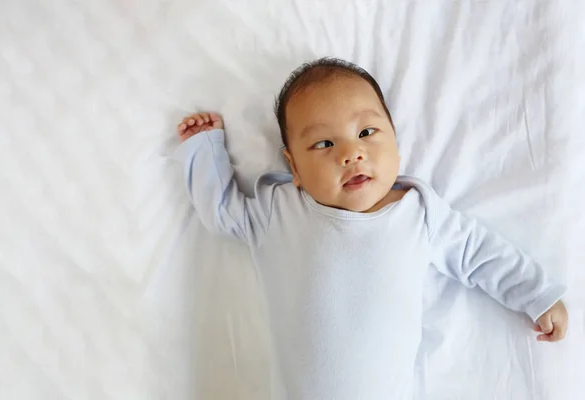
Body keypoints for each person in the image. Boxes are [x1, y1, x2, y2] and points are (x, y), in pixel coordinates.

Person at [174, 57, 568, 400]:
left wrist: (535, 294)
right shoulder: (279, 212)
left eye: (366, 133)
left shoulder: (419, 213)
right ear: (293, 167)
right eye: (324, 144)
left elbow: (479, 254)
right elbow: (222, 211)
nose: (350, 153)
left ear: (395, 140)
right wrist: (204, 150)